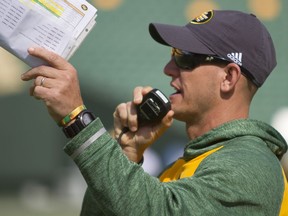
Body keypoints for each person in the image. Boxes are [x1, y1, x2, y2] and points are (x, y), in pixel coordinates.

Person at [21, 10, 288, 215]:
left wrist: (77, 119)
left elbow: (159, 210)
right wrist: (127, 152)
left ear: (229, 77)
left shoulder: (250, 164)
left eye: (184, 57)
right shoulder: (189, 164)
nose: (168, 68)